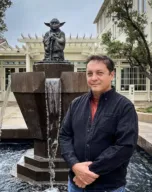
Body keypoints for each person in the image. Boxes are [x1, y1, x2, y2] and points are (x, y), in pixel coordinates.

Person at [59, 55, 138, 192]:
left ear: (111, 74)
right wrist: (75, 165)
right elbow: (64, 136)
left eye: (99, 73)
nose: (93, 78)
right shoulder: (76, 104)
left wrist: (87, 172)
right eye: (89, 73)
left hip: (108, 186)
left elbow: (125, 146)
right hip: (75, 184)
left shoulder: (124, 107)